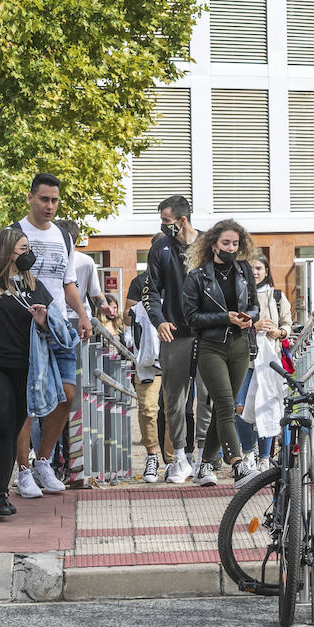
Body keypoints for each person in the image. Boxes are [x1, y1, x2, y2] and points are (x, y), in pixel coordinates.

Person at [12, 174, 92, 498]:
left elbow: (68, 282)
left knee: (67, 395)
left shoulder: (63, 235)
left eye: (54, 200)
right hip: (25, 324)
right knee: (26, 402)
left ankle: (44, 461)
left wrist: (83, 315)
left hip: (58, 324)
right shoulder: (14, 233)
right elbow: (1, 276)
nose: (49, 206)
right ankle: (22, 469)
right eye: (44, 199)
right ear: (30, 198)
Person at [182, 219, 260, 487]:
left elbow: (255, 307)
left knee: (223, 408)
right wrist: (225, 318)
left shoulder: (244, 270)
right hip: (211, 346)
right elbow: (191, 317)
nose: (231, 248)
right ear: (213, 243)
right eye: (226, 243)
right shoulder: (197, 276)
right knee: (226, 404)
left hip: (240, 344)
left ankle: (203, 465)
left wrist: (247, 317)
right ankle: (237, 466)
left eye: (235, 244)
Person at [0, 226, 51, 517]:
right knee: (3, 424)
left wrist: (43, 319)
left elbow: (52, 327)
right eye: (23, 250)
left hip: (27, 367)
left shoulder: (33, 285)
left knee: (12, 431)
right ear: (8, 252)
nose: (29, 255)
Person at [142, 195, 210, 483]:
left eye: (166, 221)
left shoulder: (209, 245)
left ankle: (205, 458)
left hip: (208, 333)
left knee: (208, 397)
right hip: (174, 333)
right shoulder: (161, 247)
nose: (163, 226)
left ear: (182, 220)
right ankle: (179, 458)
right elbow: (151, 291)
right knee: (175, 399)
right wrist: (159, 321)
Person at [240, 254, 293, 471]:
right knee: (240, 407)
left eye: (259, 268)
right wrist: (254, 326)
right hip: (244, 361)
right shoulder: (239, 295)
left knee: (267, 405)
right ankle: (247, 454)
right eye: (251, 268)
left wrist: (279, 332)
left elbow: (287, 324)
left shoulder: (277, 297)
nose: (255, 272)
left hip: (270, 362)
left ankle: (263, 458)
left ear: (266, 270)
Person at [126, 270, 166, 479]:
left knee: (176, 411)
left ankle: (173, 459)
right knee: (148, 409)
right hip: (146, 357)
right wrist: (140, 309)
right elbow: (126, 316)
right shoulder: (140, 281)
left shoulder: (182, 277)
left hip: (174, 353)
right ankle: (152, 456)